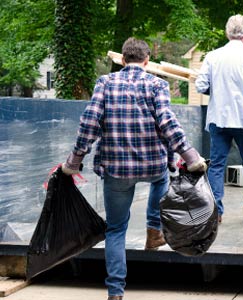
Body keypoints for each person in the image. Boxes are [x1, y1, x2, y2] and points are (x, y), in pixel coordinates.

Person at [61, 37, 206, 300]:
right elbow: (167, 122)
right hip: (152, 165)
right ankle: (153, 229)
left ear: (122, 59)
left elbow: (89, 124)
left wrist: (73, 162)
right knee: (162, 177)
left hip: (116, 170)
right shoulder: (157, 85)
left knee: (116, 229)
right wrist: (189, 155)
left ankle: (116, 292)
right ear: (147, 60)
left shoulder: (105, 83)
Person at [195, 14, 243, 223]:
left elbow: (200, 86)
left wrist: (218, 91)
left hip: (219, 118)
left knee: (217, 165)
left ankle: (216, 211)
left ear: (227, 33)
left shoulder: (212, 56)